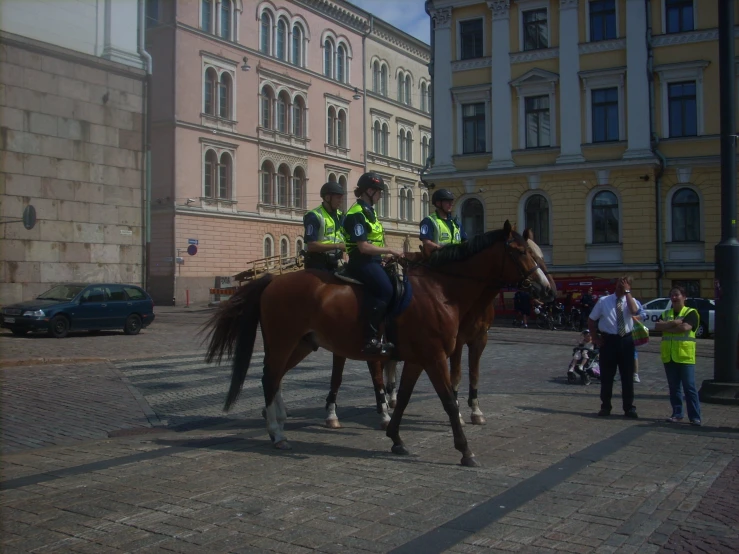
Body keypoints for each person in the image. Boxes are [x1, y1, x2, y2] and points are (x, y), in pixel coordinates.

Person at [343, 172, 404, 354]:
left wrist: (386, 256)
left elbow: (375, 241)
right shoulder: (357, 214)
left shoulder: (370, 212)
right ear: (369, 191)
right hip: (361, 261)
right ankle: (369, 338)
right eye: (379, 191)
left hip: (374, 260)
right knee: (385, 289)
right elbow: (363, 247)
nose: (380, 195)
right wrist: (389, 250)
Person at [588, 276, 641, 418]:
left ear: (629, 287)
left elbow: (634, 311)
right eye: (619, 285)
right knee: (607, 376)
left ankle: (629, 407)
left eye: (624, 285)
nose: (620, 288)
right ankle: (605, 406)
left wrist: (627, 293)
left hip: (626, 341)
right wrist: (595, 337)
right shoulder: (604, 301)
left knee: (627, 377)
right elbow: (591, 319)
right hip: (609, 341)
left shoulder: (631, 301)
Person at [655, 286, 702, 426]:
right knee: (674, 388)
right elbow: (657, 326)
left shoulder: (691, 312)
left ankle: (695, 417)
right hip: (669, 356)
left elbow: (685, 328)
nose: (674, 298)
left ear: (684, 297)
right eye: (672, 295)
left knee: (689, 387)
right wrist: (675, 322)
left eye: (677, 295)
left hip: (685, 356)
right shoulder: (666, 313)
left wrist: (667, 326)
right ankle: (677, 414)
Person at [303, 181, 346, 271]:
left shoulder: (340, 216)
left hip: (336, 262)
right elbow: (311, 246)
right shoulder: (314, 216)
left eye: (341, 198)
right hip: (318, 264)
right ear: (327, 198)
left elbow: (343, 241)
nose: (341, 201)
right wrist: (337, 246)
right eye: (338, 198)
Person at [419, 188, 467, 253]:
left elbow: (465, 242)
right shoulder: (428, 221)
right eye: (447, 202)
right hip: (438, 258)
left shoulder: (456, 223)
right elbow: (427, 243)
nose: (451, 204)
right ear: (438, 203)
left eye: (451, 202)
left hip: (456, 258)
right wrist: (443, 250)